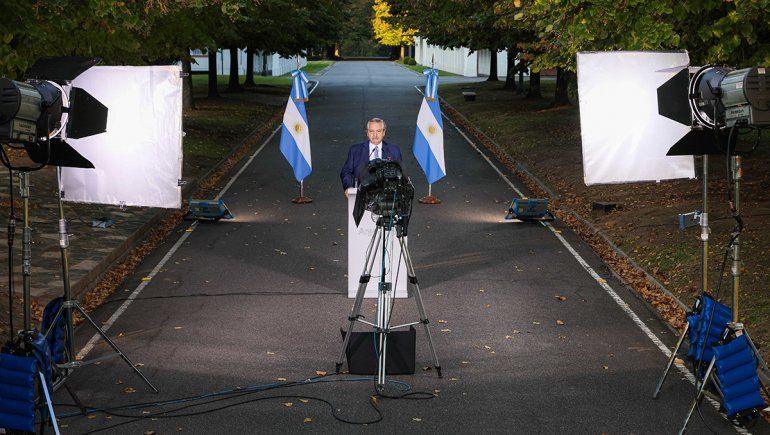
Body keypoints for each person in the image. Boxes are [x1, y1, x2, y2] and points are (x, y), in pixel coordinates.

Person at [340, 118, 403, 196]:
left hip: (387, 196)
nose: (375, 135)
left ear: (384, 132)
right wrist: (349, 187)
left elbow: (401, 173)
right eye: (371, 131)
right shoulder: (355, 150)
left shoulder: (394, 150)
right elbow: (346, 171)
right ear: (367, 133)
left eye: (378, 131)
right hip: (361, 194)